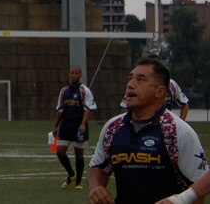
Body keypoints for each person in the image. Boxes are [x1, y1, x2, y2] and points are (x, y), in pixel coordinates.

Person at [87, 57, 207, 204]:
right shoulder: (113, 127)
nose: (130, 85)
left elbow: (198, 188)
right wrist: (95, 187)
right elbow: (97, 166)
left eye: (140, 80)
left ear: (160, 91)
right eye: (130, 79)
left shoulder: (177, 131)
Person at [51, 65, 97, 190]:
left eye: (76, 73)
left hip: (79, 126)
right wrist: (55, 126)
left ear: (80, 75)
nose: (73, 75)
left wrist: (83, 124)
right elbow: (60, 110)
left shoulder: (84, 91)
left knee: (79, 155)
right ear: (69, 74)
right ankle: (71, 174)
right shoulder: (64, 91)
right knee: (59, 151)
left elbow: (89, 109)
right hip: (66, 126)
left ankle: (78, 183)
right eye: (71, 73)